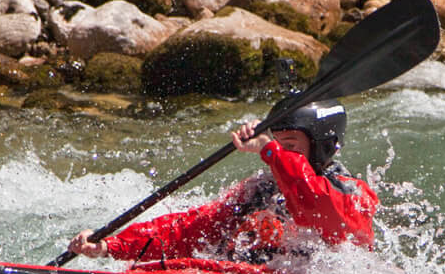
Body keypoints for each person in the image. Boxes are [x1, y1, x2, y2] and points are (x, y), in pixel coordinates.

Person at [67, 102, 378, 264]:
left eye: (290, 146)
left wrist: (272, 151)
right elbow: (192, 230)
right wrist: (111, 245)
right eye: (278, 143)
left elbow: (316, 207)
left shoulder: (350, 193)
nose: (281, 152)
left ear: (322, 147)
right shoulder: (260, 190)